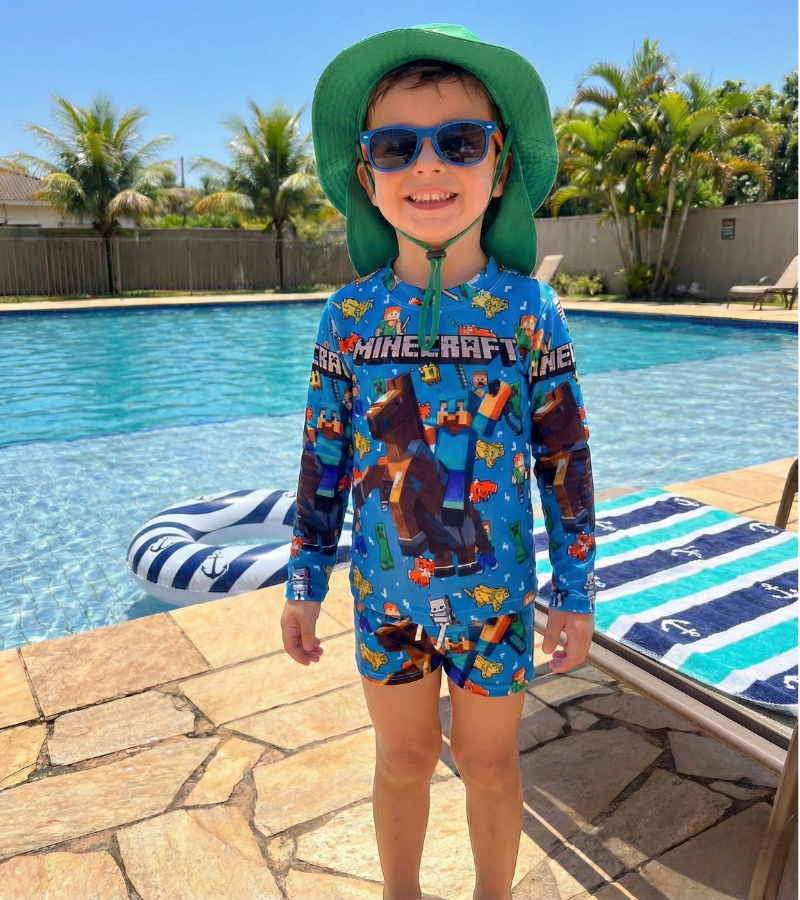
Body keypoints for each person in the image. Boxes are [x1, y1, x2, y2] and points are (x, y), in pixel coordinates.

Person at [281, 24, 596, 900]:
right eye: (397, 146)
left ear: (499, 166)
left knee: (489, 764)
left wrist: (575, 589)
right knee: (404, 759)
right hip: (387, 600)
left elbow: (565, 458)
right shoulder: (348, 318)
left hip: (494, 601)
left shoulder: (530, 312)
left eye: (459, 141)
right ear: (367, 176)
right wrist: (304, 576)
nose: (428, 164)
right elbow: (323, 457)